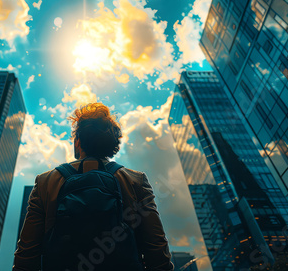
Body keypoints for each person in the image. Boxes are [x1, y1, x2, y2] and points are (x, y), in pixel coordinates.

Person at [13, 103, 174, 271]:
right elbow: (155, 246)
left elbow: (27, 252)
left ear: (78, 142)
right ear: (112, 145)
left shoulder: (45, 182)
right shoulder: (135, 180)